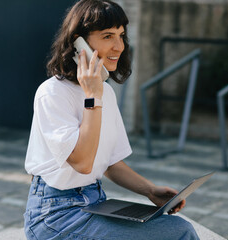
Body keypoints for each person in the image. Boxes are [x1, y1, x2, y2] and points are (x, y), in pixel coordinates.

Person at [24, 0, 199, 239]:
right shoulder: (52, 93)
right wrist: (92, 96)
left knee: (178, 226)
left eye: (121, 36)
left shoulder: (105, 91)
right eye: (108, 36)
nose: (119, 47)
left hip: (96, 202)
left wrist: (150, 190)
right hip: (55, 214)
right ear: (79, 42)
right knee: (179, 233)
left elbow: (110, 164)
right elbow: (83, 163)